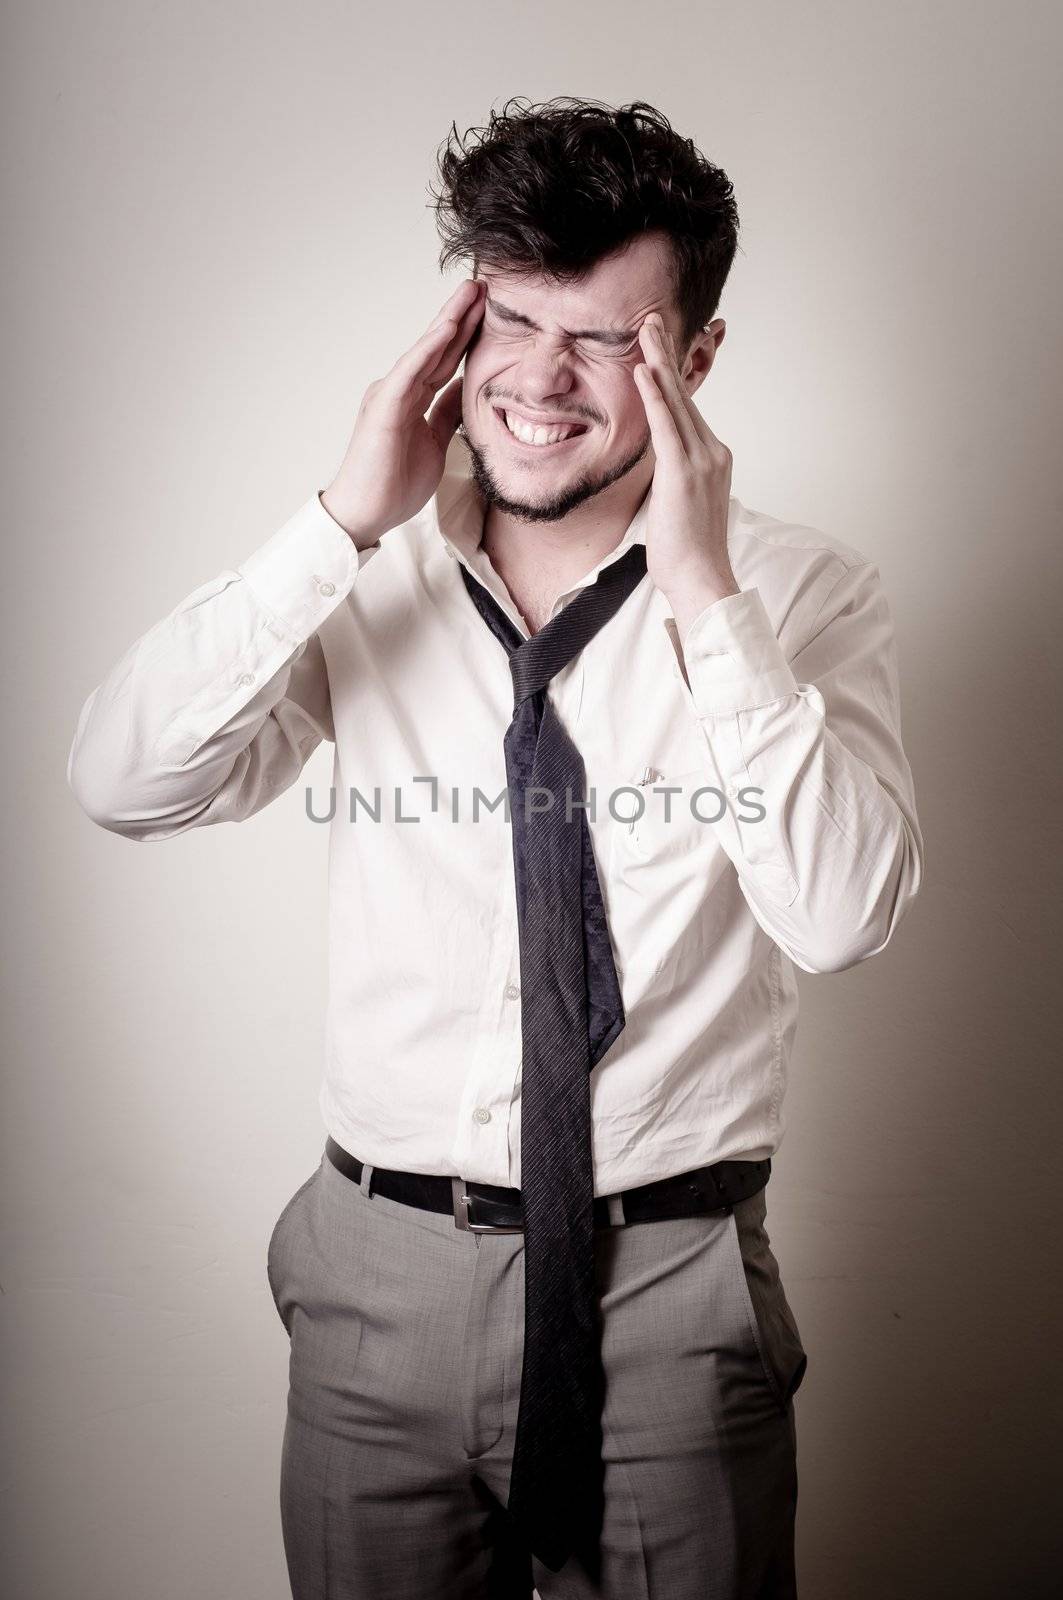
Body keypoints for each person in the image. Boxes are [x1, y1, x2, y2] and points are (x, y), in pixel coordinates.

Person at [67, 96, 924, 1600]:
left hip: (667, 1282)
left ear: (695, 359)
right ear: (460, 322)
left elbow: (844, 915)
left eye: (603, 337)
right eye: (512, 319)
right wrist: (338, 519)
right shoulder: (364, 579)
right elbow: (127, 781)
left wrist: (708, 596)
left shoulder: (803, 600)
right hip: (378, 1280)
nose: (540, 378)